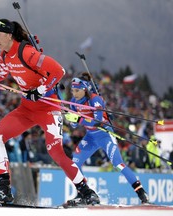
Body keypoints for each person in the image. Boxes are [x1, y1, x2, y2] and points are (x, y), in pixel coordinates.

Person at [0, 19, 99, 206]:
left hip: (48, 108)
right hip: (26, 109)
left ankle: (87, 192)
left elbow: (58, 71)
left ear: (9, 35)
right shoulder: (4, 56)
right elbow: (0, 74)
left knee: (55, 152)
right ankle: (4, 191)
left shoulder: (26, 52)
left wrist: (39, 90)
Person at [64, 72, 150, 204]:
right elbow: (75, 125)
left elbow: (97, 122)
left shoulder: (95, 99)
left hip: (104, 135)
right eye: (72, 90)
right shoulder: (73, 103)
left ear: (84, 89)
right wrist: (71, 119)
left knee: (118, 164)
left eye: (77, 90)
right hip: (91, 137)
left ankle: (141, 193)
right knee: (75, 163)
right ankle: (83, 193)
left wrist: (78, 119)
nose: (74, 94)